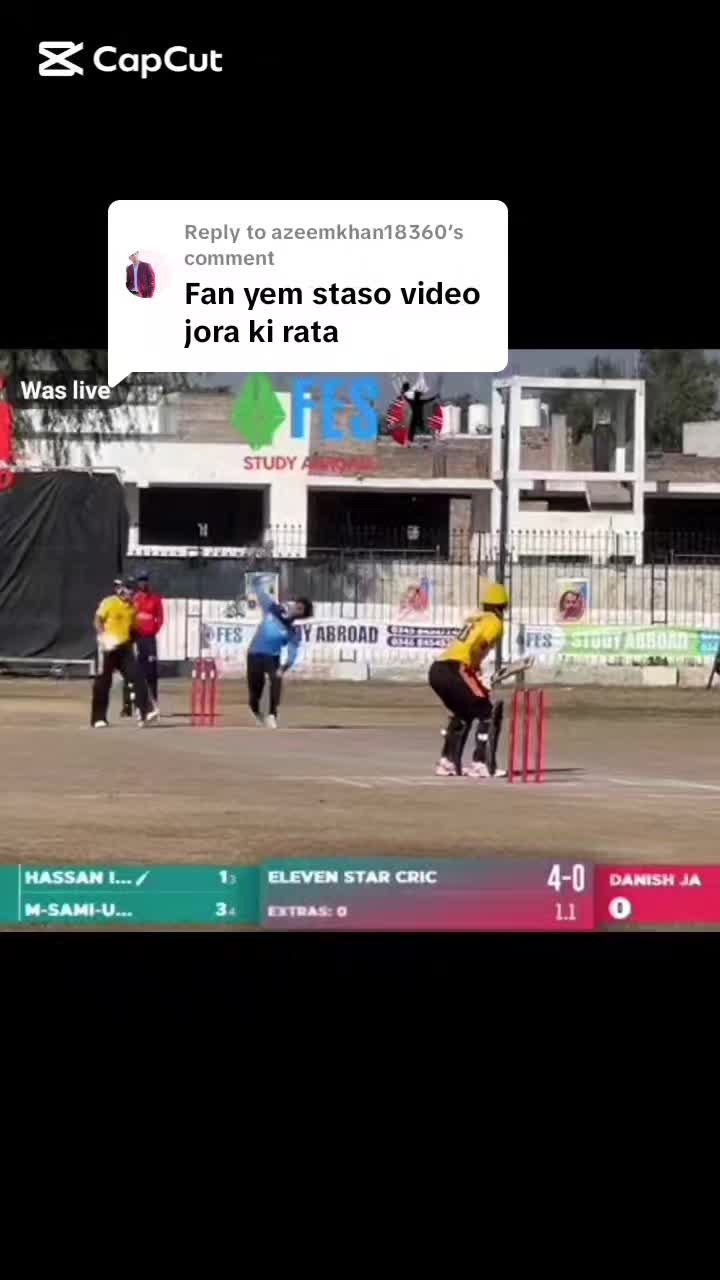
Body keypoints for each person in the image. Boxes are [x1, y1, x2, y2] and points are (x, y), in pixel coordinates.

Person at [428, 583, 509, 778]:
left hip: (437, 670)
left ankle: (448, 762)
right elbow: (477, 647)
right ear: (502, 606)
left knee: (463, 713)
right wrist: (475, 671)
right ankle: (482, 764)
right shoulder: (495, 622)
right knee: (487, 712)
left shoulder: (475, 617)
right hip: (456, 668)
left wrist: (475, 673)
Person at [246, 576, 313, 727]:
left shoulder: (293, 630)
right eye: (296, 605)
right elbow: (259, 592)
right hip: (254, 654)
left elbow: (292, 652)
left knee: (276, 679)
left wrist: (283, 668)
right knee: (255, 691)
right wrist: (257, 581)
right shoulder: (273, 609)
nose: (295, 609)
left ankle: (271, 714)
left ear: (302, 615)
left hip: (272, 658)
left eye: (300, 609)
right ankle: (257, 712)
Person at [91, 578, 157, 728]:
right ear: (121, 590)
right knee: (103, 683)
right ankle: (98, 718)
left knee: (137, 677)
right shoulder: (109, 602)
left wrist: (137, 642)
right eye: (128, 589)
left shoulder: (132, 607)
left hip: (124, 648)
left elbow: (133, 629)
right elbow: (97, 620)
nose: (130, 593)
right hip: (107, 647)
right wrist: (103, 636)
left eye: (132, 590)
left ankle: (145, 712)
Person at [121, 570, 164, 715]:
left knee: (151, 672)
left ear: (148, 582)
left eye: (145, 580)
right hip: (137, 638)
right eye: (140, 580)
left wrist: (153, 630)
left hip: (149, 639)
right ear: (138, 583)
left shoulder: (155, 599)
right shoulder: (134, 598)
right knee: (136, 671)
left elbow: (160, 618)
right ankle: (132, 704)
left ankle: (154, 702)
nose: (143, 583)